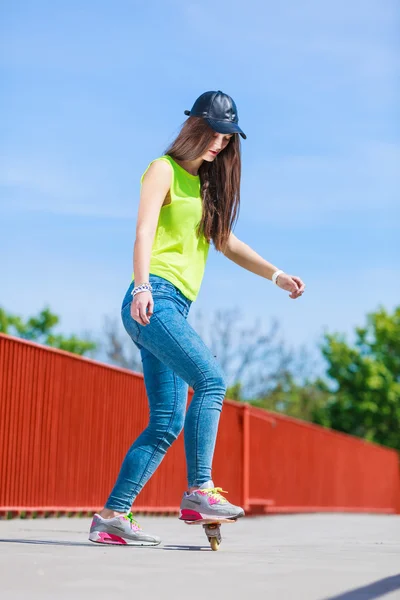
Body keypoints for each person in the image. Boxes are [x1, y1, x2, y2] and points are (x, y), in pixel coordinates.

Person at [88, 90, 306, 546]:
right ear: (194, 126)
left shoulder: (206, 187)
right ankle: (199, 491)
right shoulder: (162, 169)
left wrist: (277, 274)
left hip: (176, 306)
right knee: (210, 380)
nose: (220, 145)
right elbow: (144, 230)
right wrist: (143, 285)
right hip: (154, 298)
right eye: (214, 134)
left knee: (167, 420)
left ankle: (112, 515)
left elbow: (226, 242)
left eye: (227, 139)